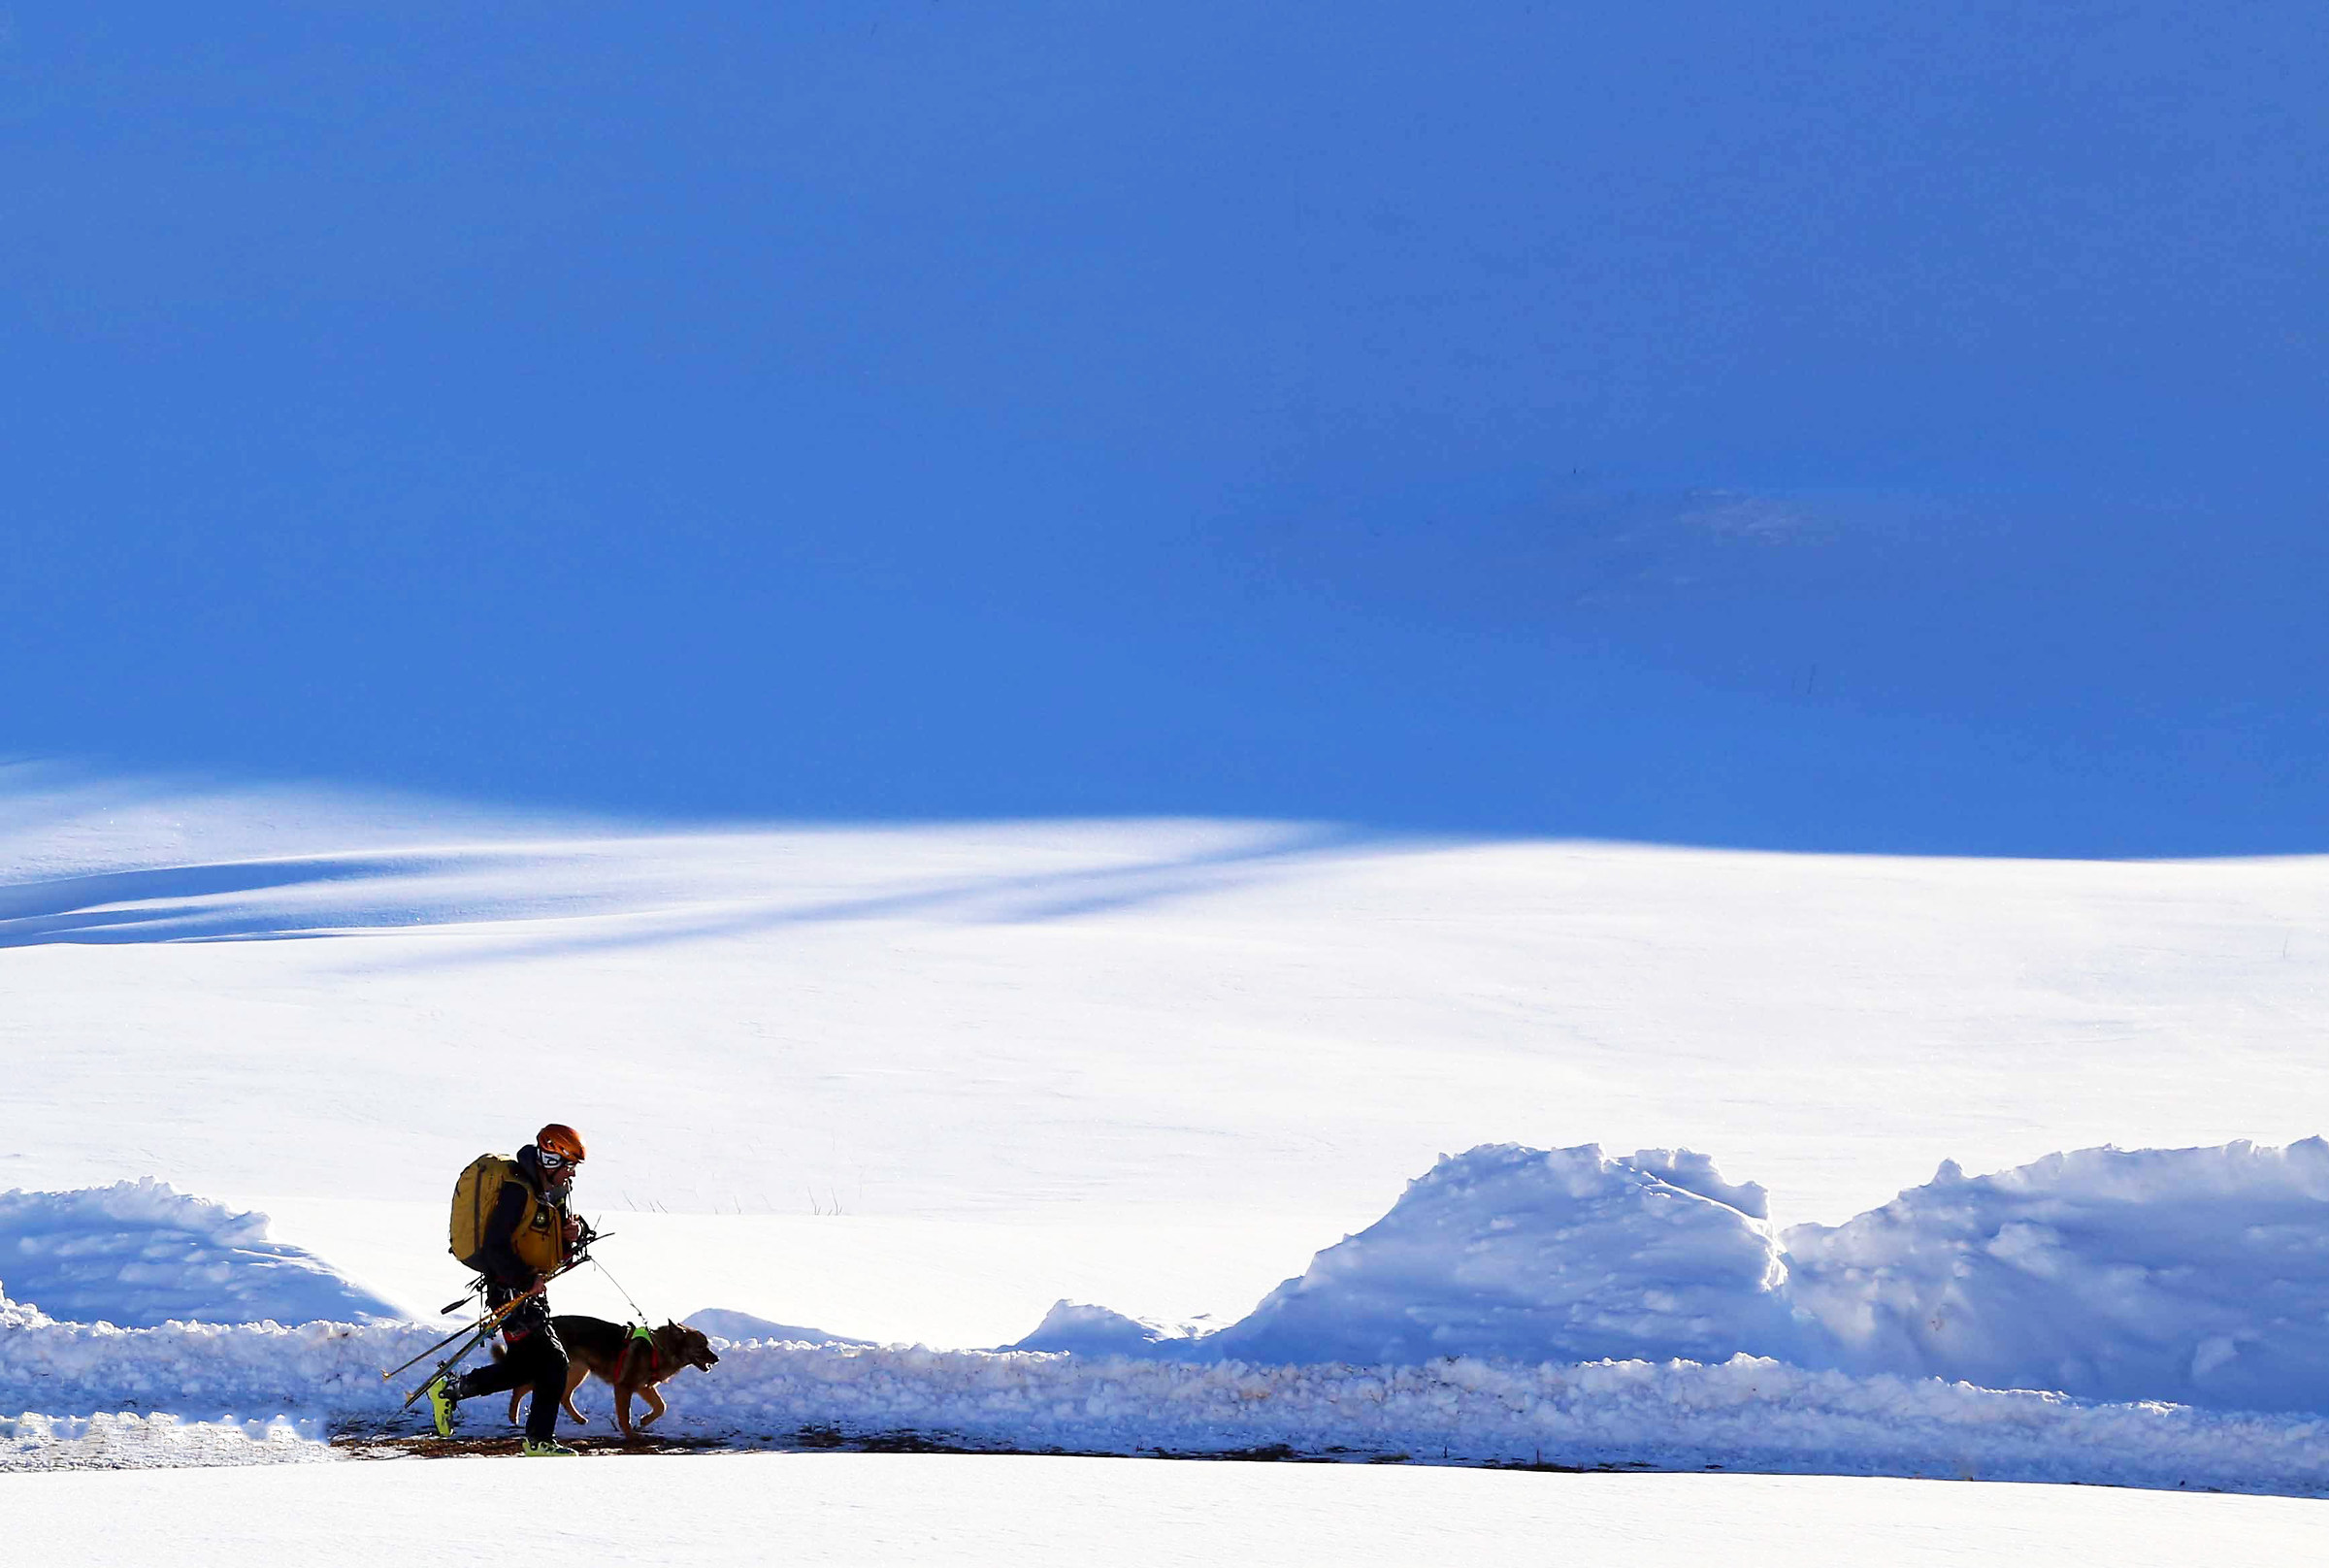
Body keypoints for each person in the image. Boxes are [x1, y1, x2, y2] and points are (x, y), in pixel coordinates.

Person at [427, 1123, 588, 1454]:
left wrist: (573, 1235)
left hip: (526, 1289)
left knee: (525, 1368)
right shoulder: (517, 1190)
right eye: (568, 1166)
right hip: (510, 1291)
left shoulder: (549, 1193)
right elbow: (495, 1246)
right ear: (550, 1159)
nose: (571, 1175)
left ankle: (450, 1390)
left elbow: (548, 1242)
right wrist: (526, 1280)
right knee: (555, 1361)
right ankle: (539, 1441)